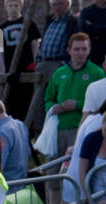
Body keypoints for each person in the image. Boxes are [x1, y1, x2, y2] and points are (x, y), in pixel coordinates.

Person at [44, 33, 103, 159]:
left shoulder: (97, 73)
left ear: (89, 50)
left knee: (74, 171)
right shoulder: (59, 73)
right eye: (76, 49)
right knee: (52, 172)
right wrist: (52, 108)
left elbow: (102, 103)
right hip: (57, 129)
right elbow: (48, 98)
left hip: (82, 129)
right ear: (69, 50)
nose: (80, 53)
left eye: (84, 49)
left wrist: (78, 104)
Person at [27, 0, 79, 132]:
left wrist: (65, 63)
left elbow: (73, 41)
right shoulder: (50, 21)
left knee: (57, 99)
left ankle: (57, 131)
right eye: (54, 4)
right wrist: (38, 59)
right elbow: (44, 41)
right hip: (43, 63)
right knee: (38, 102)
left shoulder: (72, 21)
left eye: (60, 4)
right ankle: (40, 132)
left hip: (58, 64)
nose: (57, 7)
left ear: (68, 5)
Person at [0, 0, 41, 123]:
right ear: (6, 7)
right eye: (10, 5)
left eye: (16, 5)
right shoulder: (0, 29)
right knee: (11, 101)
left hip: (26, 67)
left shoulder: (29, 23)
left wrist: (35, 64)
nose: (13, 8)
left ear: (21, 6)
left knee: (26, 100)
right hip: (10, 70)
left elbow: (35, 45)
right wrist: (3, 70)